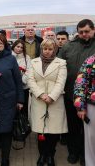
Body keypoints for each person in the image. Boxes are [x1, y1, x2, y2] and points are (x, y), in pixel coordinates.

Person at [58, 19, 95, 165]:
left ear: (93, 29)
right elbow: (59, 67)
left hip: (91, 98)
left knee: (90, 130)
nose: (84, 34)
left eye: (87, 31)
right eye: (80, 32)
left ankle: (86, 155)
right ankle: (74, 152)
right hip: (71, 94)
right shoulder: (68, 46)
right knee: (73, 127)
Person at [0, 33, 24, 166]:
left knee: (6, 131)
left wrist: (20, 100)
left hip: (8, 100)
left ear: (5, 45)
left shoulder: (11, 59)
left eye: (0, 43)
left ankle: (5, 159)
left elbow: (18, 81)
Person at [28, 39, 68, 166]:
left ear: (55, 50)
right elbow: (30, 80)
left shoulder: (61, 63)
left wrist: (51, 96)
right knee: (41, 131)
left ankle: (50, 155)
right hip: (38, 100)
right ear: (41, 49)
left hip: (55, 101)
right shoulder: (33, 62)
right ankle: (42, 155)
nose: (47, 51)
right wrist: (40, 94)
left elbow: (61, 82)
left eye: (50, 49)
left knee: (53, 132)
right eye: (45, 48)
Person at [73, 55, 95, 166]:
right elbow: (80, 82)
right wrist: (80, 107)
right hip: (93, 106)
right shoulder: (91, 60)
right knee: (91, 139)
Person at [11, 39, 31, 117]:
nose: (19, 49)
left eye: (21, 47)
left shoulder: (27, 57)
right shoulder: (9, 56)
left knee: (23, 107)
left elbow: (29, 70)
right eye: (17, 46)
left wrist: (22, 80)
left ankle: (23, 125)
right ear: (13, 46)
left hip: (24, 87)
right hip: (12, 87)